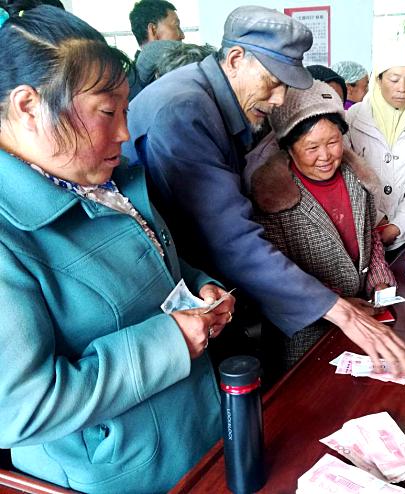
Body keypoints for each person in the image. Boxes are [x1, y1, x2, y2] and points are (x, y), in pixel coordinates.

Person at [0, 4, 234, 492]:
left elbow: (145, 261)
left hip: (193, 433)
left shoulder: (103, 180)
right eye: (107, 112)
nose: (125, 133)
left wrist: (197, 284)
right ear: (28, 107)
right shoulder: (10, 234)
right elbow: (22, 408)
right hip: (126, 471)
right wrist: (170, 342)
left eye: (126, 111)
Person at [123, 6, 405, 375]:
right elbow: (232, 241)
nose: (278, 100)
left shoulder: (213, 99)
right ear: (235, 58)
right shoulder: (186, 110)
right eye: (272, 83)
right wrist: (339, 311)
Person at [250, 81, 396, 370]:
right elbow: (278, 272)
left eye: (333, 142)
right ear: (289, 148)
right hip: (304, 332)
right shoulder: (273, 196)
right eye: (312, 147)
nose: (326, 156)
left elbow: (371, 240)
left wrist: (380, 281)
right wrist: (334, 303)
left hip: (364, 316)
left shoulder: (357, 180)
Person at [345, 42, 405, 255]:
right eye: (394, 80)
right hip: (358, 234)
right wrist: (377, 219)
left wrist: (397, 225)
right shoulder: (352, 119)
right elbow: (346, 178)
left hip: (400, 238)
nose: (402, 89)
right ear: (378, 79)